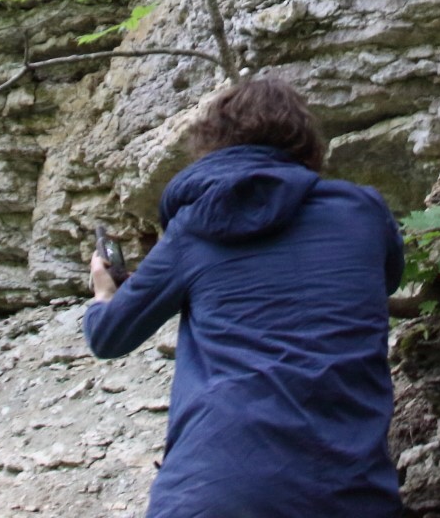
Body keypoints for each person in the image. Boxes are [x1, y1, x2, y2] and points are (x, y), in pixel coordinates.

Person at [84, 76, 405, 517]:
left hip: (216, 490)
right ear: (305, 144)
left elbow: (108, 336)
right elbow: (379, 281)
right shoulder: (363, 212)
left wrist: (104, 293)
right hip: (350, 492)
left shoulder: (194, 229)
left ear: (211, 143)